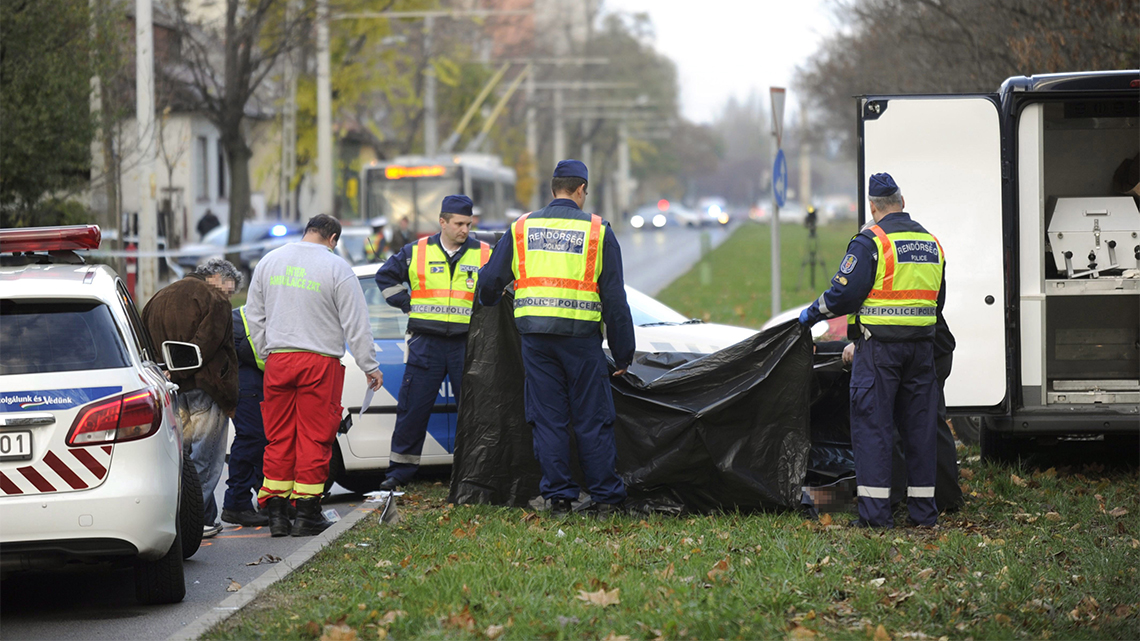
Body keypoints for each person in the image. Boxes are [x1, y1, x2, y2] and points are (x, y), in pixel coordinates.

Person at [477, 160, 636, 518]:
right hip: (581, 342)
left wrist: (490, 299)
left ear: (552, 190)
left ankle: (559, 499)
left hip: (536, 342)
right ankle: (606, 499)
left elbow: (488, 283)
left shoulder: (522, 227)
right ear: (581, 190)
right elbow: (614, 299)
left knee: (549, 420)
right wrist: (624, 354)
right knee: (592, 419)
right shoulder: (598, 231)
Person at [799, 173, 945, 528]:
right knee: (920, 430)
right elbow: (937, 302)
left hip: (880, 352)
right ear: (903, 202)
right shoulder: (931, 243)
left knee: (873, 429)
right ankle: (924, 514)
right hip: (922, 351)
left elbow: (843, 295)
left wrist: (811, 314)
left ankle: (876, 517)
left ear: (873, 206)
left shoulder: (872, 242)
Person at [245, 215, 383, 537]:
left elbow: (254, 314)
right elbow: (356, 323)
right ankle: (307, 513)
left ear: (307, 231)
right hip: (319, 363)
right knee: (314, 437)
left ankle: (277, 514)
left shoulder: (269, 262)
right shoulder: (336, 268)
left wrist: (268, 352)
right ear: (333, 237)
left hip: (279, 361)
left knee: (279, 436)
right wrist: (369, 365)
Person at [373, 195, 491, 490]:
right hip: (426, 343)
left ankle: (475, 473)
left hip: (467, 344)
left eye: (468, 223)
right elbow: (385, 277)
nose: (465, 229)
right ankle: (399, 472)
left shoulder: (485, 253)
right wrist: (406, 302)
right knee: (413, 409)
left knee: (475, 411)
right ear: (443, 222)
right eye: (459, 224)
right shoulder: (416, 251)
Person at [142, 259, 240, 539]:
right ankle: (194, 521)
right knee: (205, 458)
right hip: (205, 385)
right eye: (230, 289)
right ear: (219, 278)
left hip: (170, 388)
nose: (229, 296)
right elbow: (209, 342)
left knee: (182, 457)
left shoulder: (159, 296)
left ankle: (203, 517)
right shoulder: (215, 297)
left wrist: (168, 372)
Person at [841, 311, 964, 513]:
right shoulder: (928, 276)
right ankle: (944, 498)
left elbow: (856, 296)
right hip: (934, 346)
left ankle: (891, 499)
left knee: (896, 425)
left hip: (906, 347)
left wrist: (860, 341)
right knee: (930, 424)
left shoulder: (886, 277)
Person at [220, 305, 270, 527]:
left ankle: (265, 498)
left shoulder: (248, 312)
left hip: (251, 382)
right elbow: (258, 354)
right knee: (252, 438)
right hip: (248, 384)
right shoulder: (251, 315)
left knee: (262, 440)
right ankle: (237, 503)